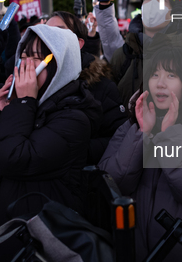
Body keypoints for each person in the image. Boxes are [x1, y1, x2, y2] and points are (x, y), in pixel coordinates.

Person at [0, 25, 101, 262]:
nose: (25, 65)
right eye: (23, 56)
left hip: (37, 240)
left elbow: (13, 160)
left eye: (36, 58)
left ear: (58, 65)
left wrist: (24, 102)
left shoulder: (73, 118)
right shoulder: (22, 106)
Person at [99, 46, 182, 262]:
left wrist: (170, 134)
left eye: (171, 75)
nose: (160, 83)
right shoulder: (132, 123)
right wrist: (143, 133)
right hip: (134, 249)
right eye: (155, 74)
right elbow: (114, 182)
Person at [47, 11, 127, 164]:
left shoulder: (101, 86)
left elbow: (118, 137)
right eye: (45, 31)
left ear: (78, 43)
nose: (49, 36)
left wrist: (76, 151)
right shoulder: (34, 80)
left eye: (59, 31)